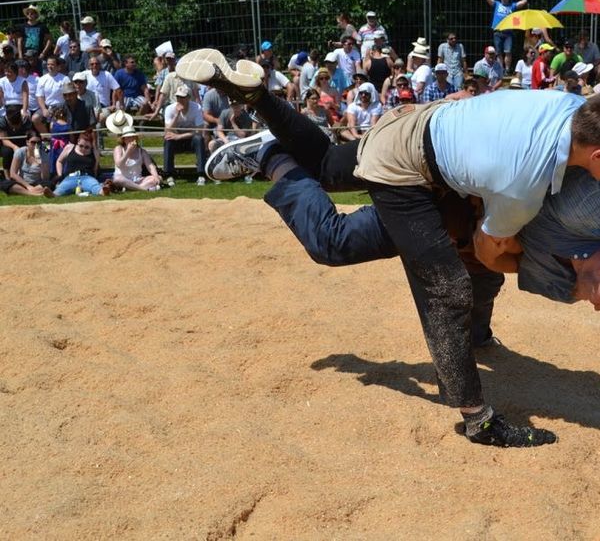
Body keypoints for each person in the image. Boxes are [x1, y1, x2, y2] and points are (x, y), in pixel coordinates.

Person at [176, 48, 600, 448]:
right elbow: (489, 251)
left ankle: (257, 99)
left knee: (326, 166)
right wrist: (524, 260)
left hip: (423, 126)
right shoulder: (525, 182)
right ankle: (478, 419)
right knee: (446, 287)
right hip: (408, 170)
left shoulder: (569, 107)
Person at [163, 85, 207, 186]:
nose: (180, 99)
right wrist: (176, 115)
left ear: (188, 98)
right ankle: (169, 175)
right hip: (175, 140)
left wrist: (179, 136)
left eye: (182, 97)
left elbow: (199, 131)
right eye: (178, 97)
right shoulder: (170, 109)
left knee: (199, 139)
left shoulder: (196, 107)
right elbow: (167, 130)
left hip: (189, 139)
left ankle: (201, 174)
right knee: (168, 140)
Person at [53, 131, 113, 196]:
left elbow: (95, 169)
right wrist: (60, 175)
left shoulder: (95, 152)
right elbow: (59, 161)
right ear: (78, 141)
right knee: (62, 188)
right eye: (81, 146)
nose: (83, 149)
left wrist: (94, 177)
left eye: (87, 147)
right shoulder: (69, 148)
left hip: (87, 177)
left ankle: (102, 191)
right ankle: (53, 194)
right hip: (70, 177)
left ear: (91, 145)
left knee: (94, 185)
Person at [485, 0, 527, 73]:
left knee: (508, 52)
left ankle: (507, 70)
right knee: (498, 52)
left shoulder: (512, 6)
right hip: (497, 31)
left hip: (508, 32)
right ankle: (501, 69)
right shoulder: (497, 4)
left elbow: (524, 1)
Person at [112, 125, 161, 191]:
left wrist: (156, 176)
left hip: (138, 180)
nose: (131, 139)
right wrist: (128, 152)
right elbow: (119, 165)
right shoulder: (119, 149)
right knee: (117, 179)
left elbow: (150, 166)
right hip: (123, 179)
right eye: (128, 137)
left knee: (158, 178)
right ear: (124, 139)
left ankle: (131, 188)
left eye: (133, 137)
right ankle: (143, 189)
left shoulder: (142, 151)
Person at [8, 130, 53, 197]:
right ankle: (33, 193)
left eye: (38, 143)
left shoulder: (44, 153)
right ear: (27, 142)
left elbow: (45, 178)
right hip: (22, 182)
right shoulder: (20, 152)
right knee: (5, 184)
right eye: (33, 142)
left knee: (49, 183)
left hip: (38, 183)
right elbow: (13, 174)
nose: (36, 145)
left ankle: (25, 192)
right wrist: (28, 186)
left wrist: (41, 162)